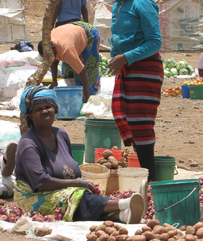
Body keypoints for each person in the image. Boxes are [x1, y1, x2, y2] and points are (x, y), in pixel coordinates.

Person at [14, 85, 147, 223]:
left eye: (48, 106)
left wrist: (81, 182)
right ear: (30, 115)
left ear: (55, 109)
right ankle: (124, 204)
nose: (45, 111)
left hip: (63, 191)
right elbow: (40, 182)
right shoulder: (28, 143)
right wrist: (76, 183)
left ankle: (122, 216)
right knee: (76, 197)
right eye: (38, 109)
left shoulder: (61, 135)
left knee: (83, 197)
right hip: (34, 198)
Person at [106, 0, 164, 182]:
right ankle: (148, 178)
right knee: (130, 120)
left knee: (141, 124)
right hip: (129, 68)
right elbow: (119, 35)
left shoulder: (142, 2)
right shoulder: (118, 4)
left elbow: (154, 42)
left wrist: (125, 57)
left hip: (145, 69)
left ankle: (152, 181)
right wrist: (116, 53)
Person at [38, 21, 100, 103]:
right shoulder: (49, 44)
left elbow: (82, 71)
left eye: (50, 57)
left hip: (89, 34)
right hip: (71, 33)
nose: (50, 59)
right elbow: (53, 61)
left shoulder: (66, 50)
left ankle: (90, 93)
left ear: (53, 48)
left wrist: (87, 97)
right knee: (67, 71)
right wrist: (54, 82)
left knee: (88, 69)